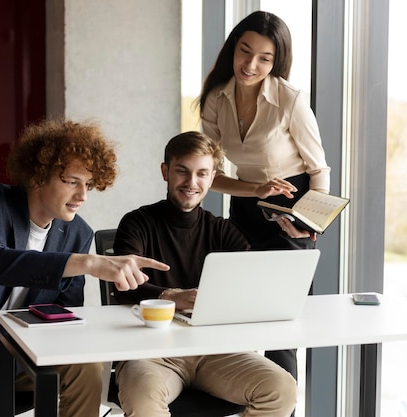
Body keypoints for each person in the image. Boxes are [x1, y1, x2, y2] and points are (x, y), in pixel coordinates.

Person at [0, 118, 169, 417]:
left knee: (87, 368)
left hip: (14, 353)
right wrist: (88, 263)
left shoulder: (78, 233)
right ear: (40, 175)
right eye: (71, 181)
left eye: (88, 184)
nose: (83, 196)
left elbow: (61, 319)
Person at [113, 131, 297, 417]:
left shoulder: (222, 230)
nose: (191, 183)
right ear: (165, 172)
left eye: (202, 174)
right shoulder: (137, 223)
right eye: (182, 172)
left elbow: (256, 284)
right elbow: (123, 288)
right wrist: (172, 297)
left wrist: (293, 233)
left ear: (212, 179)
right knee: (143, 397)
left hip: (218, 351)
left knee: (281, 388)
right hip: (151, 354)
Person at [198, 10, 331, 398]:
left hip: (292, 208)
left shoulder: (290, 101)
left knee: (280, 330)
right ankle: (243, 400)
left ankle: (280, 408)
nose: (251, 64)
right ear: (233, 49)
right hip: (244, 206)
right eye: (245, 51)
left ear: (276, 62)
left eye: (264, 58)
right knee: (236, 315)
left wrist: (310, 225)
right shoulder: (215, 98)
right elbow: (210, 174)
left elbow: (318, 169)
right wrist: (252, 191)